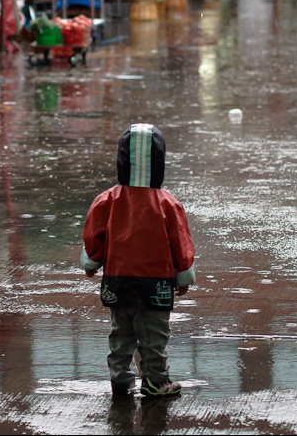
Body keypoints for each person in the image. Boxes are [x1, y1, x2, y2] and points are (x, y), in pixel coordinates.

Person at [80, 123, 196, 397]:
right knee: (154, 335)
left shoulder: (106, 200)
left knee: (121, 333)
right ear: (159, 162)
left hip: (118, 279)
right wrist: (183, 275)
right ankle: (155, 380)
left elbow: (93, 236)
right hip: (156, 281)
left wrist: (92, 263)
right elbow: (180, 243)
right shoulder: (168, 203)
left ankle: (120, 380)